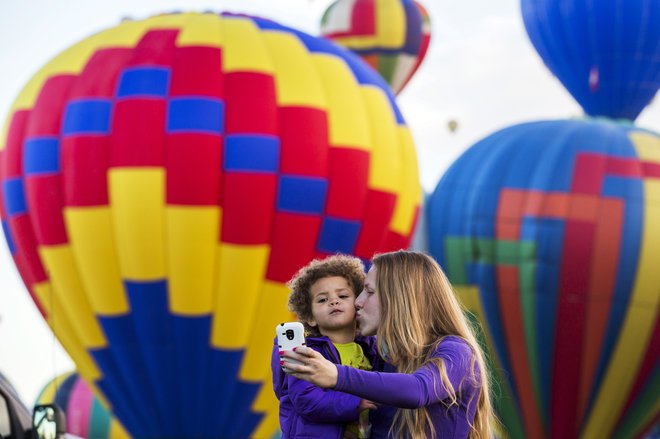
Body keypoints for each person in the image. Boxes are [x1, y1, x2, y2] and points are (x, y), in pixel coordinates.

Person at [281, 250, 496, 439]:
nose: (357, 301)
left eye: (370, 292)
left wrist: (336, 375)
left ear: (399, 298)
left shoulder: (456, 351)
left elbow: (417, 390)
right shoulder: (382, 359)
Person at [272, 254, 393, 438]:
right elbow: (306, 400)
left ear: (359, 304)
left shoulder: (372, 350)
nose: (333, 301)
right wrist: (355, 403)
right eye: (322, 300)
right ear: (310, 317)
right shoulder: (306, 354)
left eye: (343, 295)